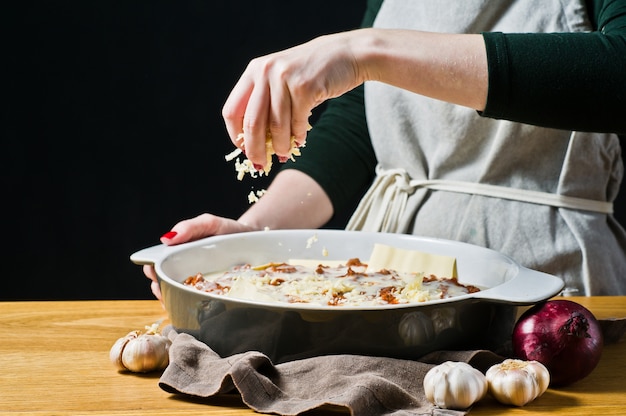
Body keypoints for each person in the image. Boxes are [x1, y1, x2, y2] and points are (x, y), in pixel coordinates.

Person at [144, 0, 626, 299]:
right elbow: (360, 122)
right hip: (392, 285)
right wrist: (250, 235)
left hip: (549, 278)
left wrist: (367, 51)